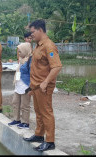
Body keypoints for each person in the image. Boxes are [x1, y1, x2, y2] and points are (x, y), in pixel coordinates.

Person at [23, 20, 62, 152]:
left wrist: (45, 82)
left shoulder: (48, 46)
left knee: (46, 113)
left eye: (33, 32)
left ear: (40, 30)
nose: (31, 34)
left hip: (44, 87)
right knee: (39, 112)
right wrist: (32, 86)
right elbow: (37, 67)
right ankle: (39, 135)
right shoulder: (38, 45)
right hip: (36, 86)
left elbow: (56, 67)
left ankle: (50, 141)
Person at [8, 42, 32, 129]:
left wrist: (31, 87)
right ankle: (16, 119)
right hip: (18, 85)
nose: (19, 53)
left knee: (25, 105)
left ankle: (25, 122)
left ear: (25, 51)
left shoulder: (29, 60)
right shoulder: (21, 60)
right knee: (15, 102)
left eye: (20, 51)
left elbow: (31, 74)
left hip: (25, 86)